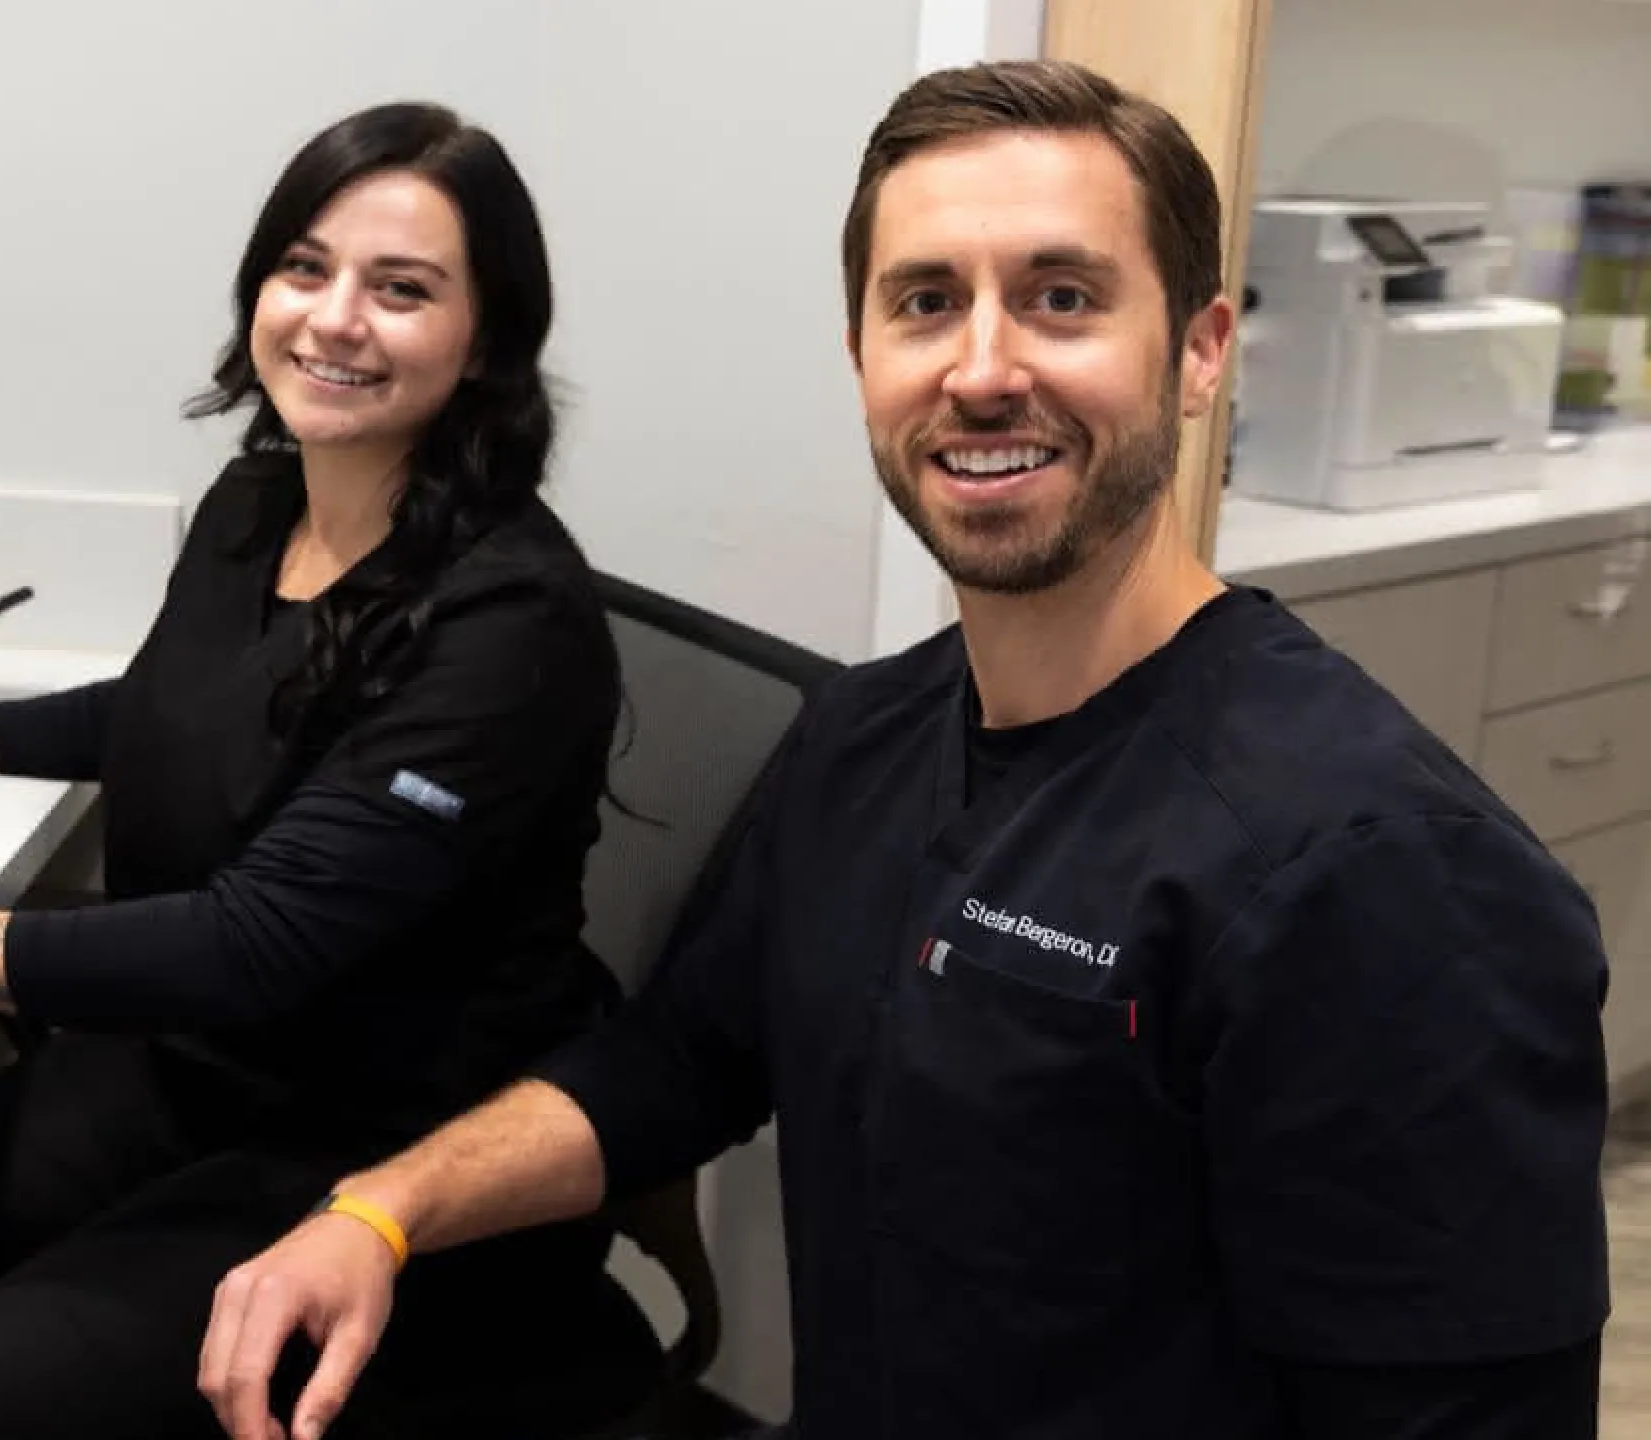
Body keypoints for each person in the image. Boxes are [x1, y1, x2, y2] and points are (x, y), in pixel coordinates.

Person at [198, 58, 1612, 1440]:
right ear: (863, 358)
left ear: (1198, 351)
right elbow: (679, 1060)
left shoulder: (1379, 873)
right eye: (927, 303)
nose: (982, 371)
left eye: (1062, 299)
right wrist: (381, 1213)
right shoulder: (860, 736)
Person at [0, 100, 625, 1438]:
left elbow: (253, 944)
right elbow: (173, 710)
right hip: (200, 1071)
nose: (336, 319)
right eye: (305, 268)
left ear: (489, 339)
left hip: (395, 1149)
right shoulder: (260, 504)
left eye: (401, 290)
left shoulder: (509, 623)